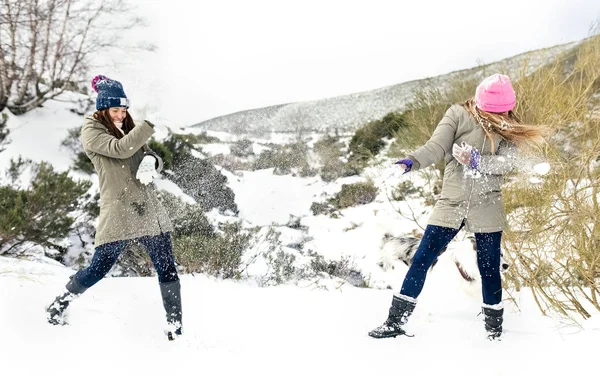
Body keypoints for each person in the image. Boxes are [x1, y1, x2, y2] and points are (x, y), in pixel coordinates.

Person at [368, 73, 545, 340]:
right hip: (452, 201)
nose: (496, 117)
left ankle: (494, 333)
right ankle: (395, 322)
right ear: (479, 101)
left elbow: (507, 164)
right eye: (491, 111)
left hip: (487, 204)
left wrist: (476, 161)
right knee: (422, 259)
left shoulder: (508, 126)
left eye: (501, 112)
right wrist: (409, 162)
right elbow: (435, 147)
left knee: (489, 268)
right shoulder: (457, 115)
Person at [46, 75, 183, 340]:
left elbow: (145, 153)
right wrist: (150, 123)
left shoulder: (129, 126)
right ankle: (58, 305)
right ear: (103, 109)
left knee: (167, 267)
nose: (121, 115)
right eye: (115, 110)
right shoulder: (92, 131)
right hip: (119, 210)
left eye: (123, 110)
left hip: (148, 209)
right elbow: (120, 150)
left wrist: (152, 162)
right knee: (99, 268)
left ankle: (175, 329)